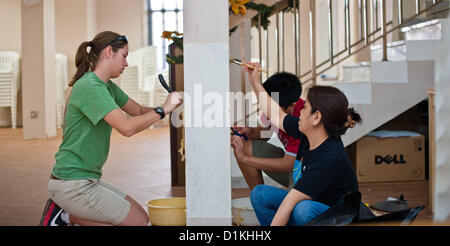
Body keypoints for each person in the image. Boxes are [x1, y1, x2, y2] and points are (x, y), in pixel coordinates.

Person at [39, 31, 183, 226]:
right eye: (124, 56)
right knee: (139, 224)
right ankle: (66, 217)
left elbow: (138, 110)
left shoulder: (106, 87)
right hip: (72, 184)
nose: (126, 63)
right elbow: (126, 128)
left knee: (142, 218)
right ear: (109, 52)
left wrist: (169, 107)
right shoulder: (91, 87)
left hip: (86, 180)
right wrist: (163, 109)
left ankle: (66, 217)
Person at [231, 63, 361, 226]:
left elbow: (288, 204)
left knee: (302, 209)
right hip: (312, 202)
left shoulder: (328, 158)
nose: (299, 110)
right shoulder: (309, 131)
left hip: (339, 217)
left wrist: (245, 159)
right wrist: (255, 82)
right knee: (259, 194)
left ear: (316, 117)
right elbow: (275, 114)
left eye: (304, 107)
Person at [232, 72, 304, 190]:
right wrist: (249, 131)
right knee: (243, 147)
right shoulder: (274, 107)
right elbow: (265, 133)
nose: (268, 109)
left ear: (292, 106)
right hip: (290, 166)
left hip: (302, 171)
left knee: (295, 206)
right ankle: (258, 197)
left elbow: (288, 165)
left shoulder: (302, 120)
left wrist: (246, 159)